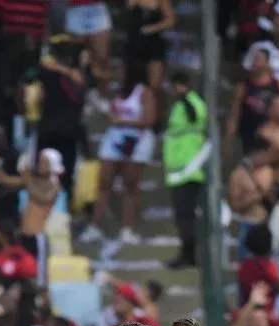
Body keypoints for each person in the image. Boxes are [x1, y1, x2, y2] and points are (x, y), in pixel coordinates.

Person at [85, 60, 157, 249]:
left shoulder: (144, 92)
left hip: (137, 140)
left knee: (130, 185)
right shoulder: (116, 91)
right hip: (115, 139)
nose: (118, 73)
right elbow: (111, 114)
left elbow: (149, 119)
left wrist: (124, 122)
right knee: (104, 181)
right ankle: (95, 226)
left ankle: (127, 229)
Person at [163, 71, 209, 269]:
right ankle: (186, 252)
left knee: (186, 215)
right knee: (182, 217)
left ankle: (190, 255)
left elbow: (195, 117)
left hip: (190, 169)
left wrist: (184, 96)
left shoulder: (193, 102)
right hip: (177, 171)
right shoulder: (177, 106)